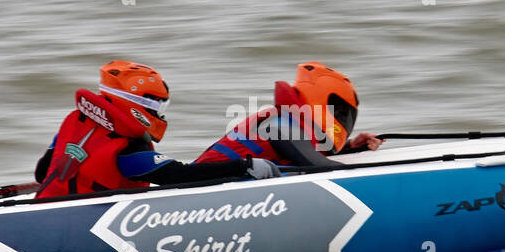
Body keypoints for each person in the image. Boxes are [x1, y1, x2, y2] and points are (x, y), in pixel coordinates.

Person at [35, 60, 280, 198]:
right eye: (159, 106)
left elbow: (42, 173)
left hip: (44, 208)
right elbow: (175, 176)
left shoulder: (74, 122)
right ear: (139, 105)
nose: (160, 114)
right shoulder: (127, 148)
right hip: (81, 226)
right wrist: (245, 166)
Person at [193, 61, 382, 169]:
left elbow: (303, 153)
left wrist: (351, 147)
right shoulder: (281, 123)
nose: (343, 120)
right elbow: (318, 164)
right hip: (197, 185)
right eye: (342, 113)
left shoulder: (294, 124)